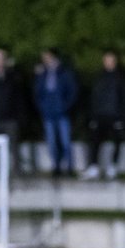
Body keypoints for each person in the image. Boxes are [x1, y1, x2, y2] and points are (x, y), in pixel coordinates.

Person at [82, 49, 125, 180]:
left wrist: (122, 118)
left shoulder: (121, 78)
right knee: (94, 140)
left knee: (117, 141)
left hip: (115, 115)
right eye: (106, 60)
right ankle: (94, 167)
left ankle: (113, 167)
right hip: (100, 115)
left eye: (111, 60)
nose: (109, 63)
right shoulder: (99, 77)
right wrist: (92, 116)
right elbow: (94, 98)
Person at [33, 48, 78, 177]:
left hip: (62, 112)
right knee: (51, 141)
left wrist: (65, 106)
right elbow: (38, 92)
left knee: (65, 141)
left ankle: (69, 167)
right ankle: (56, 166)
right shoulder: (42, 73)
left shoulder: (64, 72)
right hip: (48, 112)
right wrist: (42, 106)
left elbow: (72, 91)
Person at [0, 47, 26, 175]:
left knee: (13, 146)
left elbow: (20, 94)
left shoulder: (13, 76)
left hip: (10, 117)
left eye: (1, 58)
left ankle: (17, 171)